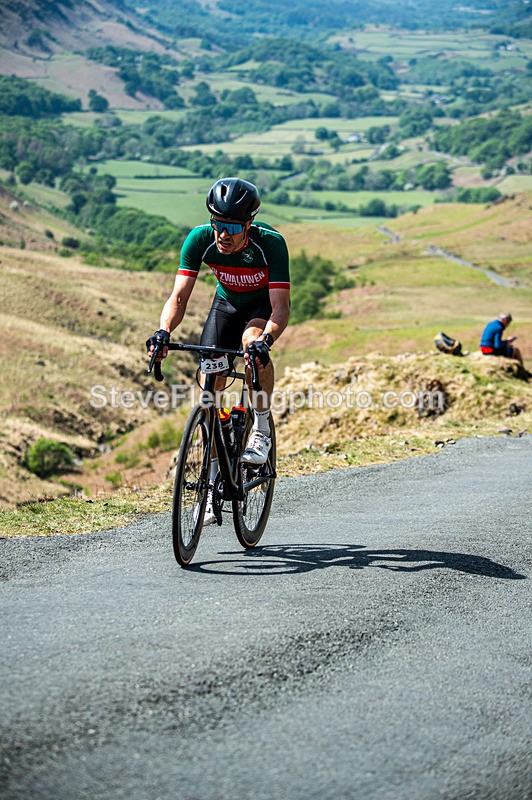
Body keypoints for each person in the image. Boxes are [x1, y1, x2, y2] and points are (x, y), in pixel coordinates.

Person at [147, 177, 290, 522]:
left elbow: (281, 307)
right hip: (225, 306)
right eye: (217, 223)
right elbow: (179, 297)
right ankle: (212, 486)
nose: (222, 234)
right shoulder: (200, 240)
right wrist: (164, 332)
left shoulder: (270, 244)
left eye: (232, 226)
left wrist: (265, 340)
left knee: (249, 344)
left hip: (260, 308)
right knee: (210, 391)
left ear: (249, 224)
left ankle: (260, 428)